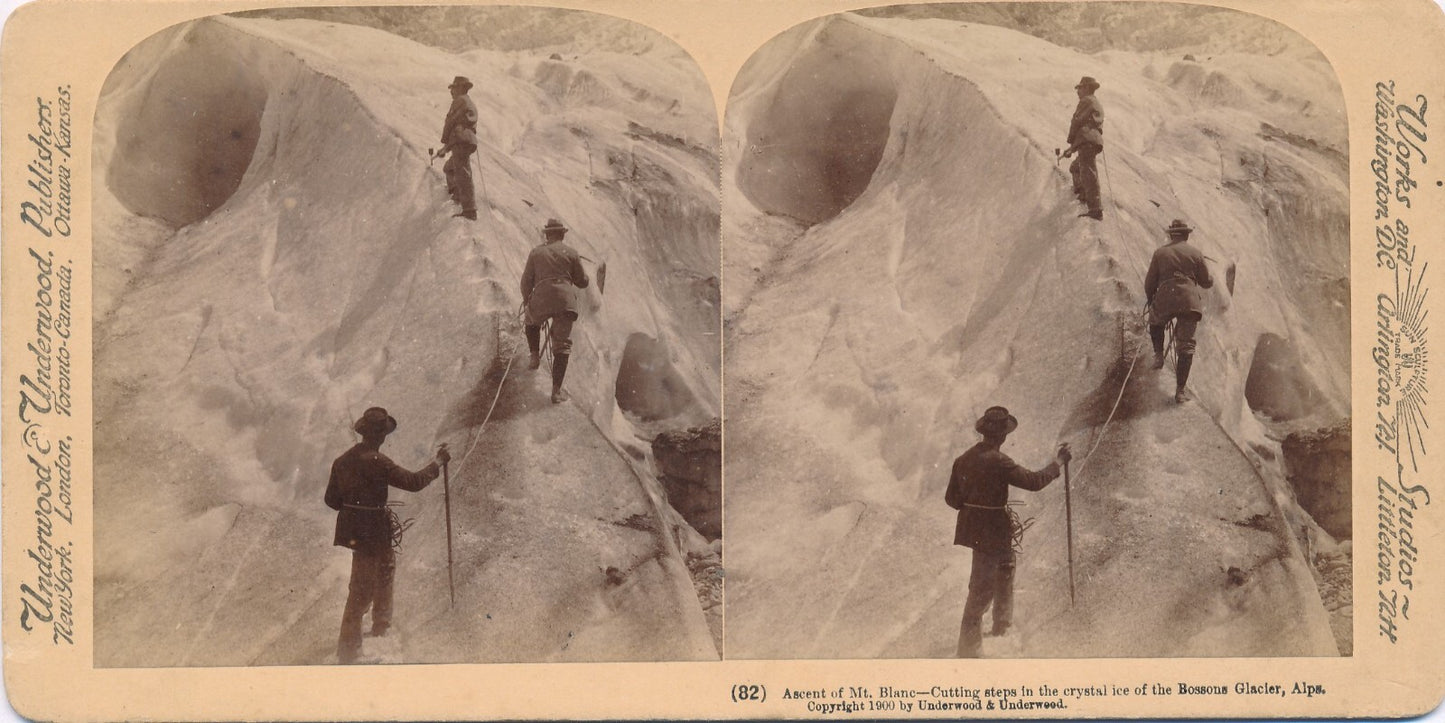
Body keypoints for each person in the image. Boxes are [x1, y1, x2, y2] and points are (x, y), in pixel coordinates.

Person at [325, 407, 450, 664]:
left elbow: (331, 500)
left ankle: (381, 628)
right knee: (363, 586)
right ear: (381, 436)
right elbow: (414, 483)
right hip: (374, 531)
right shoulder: (379, 462)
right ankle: (349, 650)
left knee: (384, 570)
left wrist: (355, 508)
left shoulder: (342, 461)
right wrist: (437, 463)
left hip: (356, 531)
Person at [944, 406, 1071, 658]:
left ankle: (1001, 626)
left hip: (980, 529)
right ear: (1003, 436)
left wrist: (973, 508)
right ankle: (968, 650)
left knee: (1005, 567)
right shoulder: (1000, 461)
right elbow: (1034, 482)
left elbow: (951, 498)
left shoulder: (964, 459)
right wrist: (1058, 462)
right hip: (993, 530)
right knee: (982, 588)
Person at [1145, 219, 1215, 403]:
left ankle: (1159, 356)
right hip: (1189, 302)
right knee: (1186, 346)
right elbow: (1206, 282)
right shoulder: (1196, 253)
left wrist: (1152, 300)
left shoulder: (1160, 253)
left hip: (1166, 297)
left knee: (1155, 322)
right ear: (1186, 235)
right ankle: (1180, 391)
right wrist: (1211, 279)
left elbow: (1149, 282)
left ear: (1171, 234)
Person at [521, 219, 590, 404]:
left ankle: (534, 356)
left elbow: (526, 282)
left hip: (542, 298)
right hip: (565, 302)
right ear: (562, 234)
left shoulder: (536, 252)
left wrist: (528, 301)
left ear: (547, 234)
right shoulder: (572, 253)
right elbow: (582, 282)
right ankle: (556, 391)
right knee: (562, 346)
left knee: (531, 322)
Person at [1061, 76, 1105, 220]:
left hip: (1086, 140)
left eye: (1080, 88)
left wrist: (1070, 142)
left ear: (1086, 88)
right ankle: (1084, 195)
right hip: (1089, 140)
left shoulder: (1086, 101)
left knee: (1088, 173)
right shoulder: (1095, 102)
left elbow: (1077, 122)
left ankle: (1095, 208)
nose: (1077, 91)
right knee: (1076, 167)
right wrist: (1072, 148)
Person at [437, 75, 479, 220]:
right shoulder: (468, 102)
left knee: (462, 173)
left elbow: (451, 121)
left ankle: (469, 210)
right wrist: (446, 148)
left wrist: (444, 141)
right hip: (463, 140)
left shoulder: (460, 100)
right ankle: (458, 196)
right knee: (450, 168)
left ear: (461, 88)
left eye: (454, 88)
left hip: (461, 140)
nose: (451, 91)